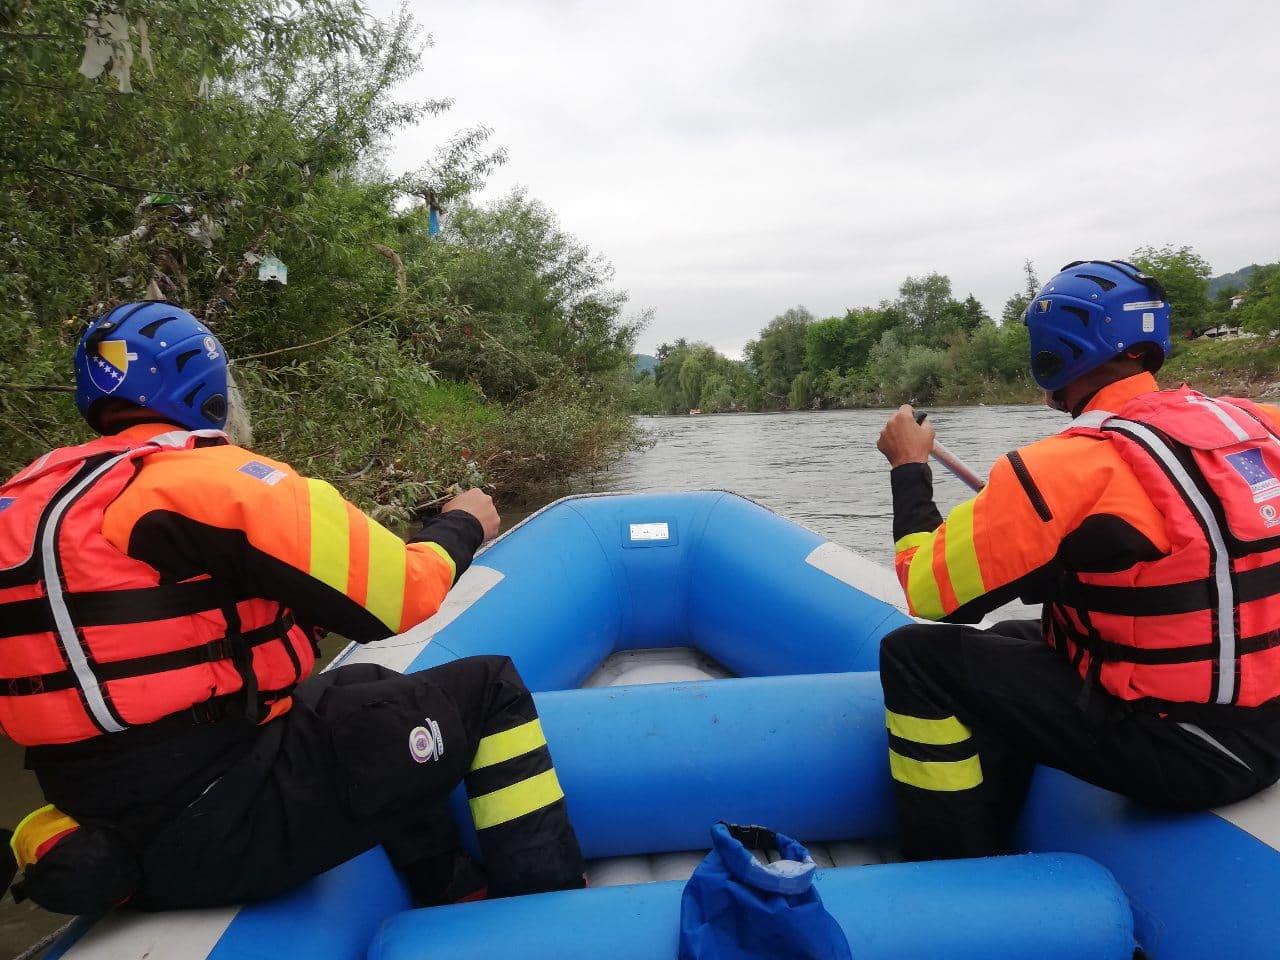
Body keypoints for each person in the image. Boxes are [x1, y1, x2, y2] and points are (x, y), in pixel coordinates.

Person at [0, 301, 584, 915]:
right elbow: (402, 595)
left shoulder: (26, 501)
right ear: (206, 392)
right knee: (490, 685)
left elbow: (142, 631)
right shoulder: (203, 478)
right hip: (223, 826)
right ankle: (546, 904)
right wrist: (462, 526)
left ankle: (450, 886)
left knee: (359, 683)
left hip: (106, 829)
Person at [874, 259, 1280, 861]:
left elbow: (931, 592)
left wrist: (909, 468)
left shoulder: (1059, 467)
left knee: (914, 657)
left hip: (1186, 754)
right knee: (1018, 633)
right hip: (1267, 727)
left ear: (1053, 357)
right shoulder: (1258, 423)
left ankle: (948, 860)